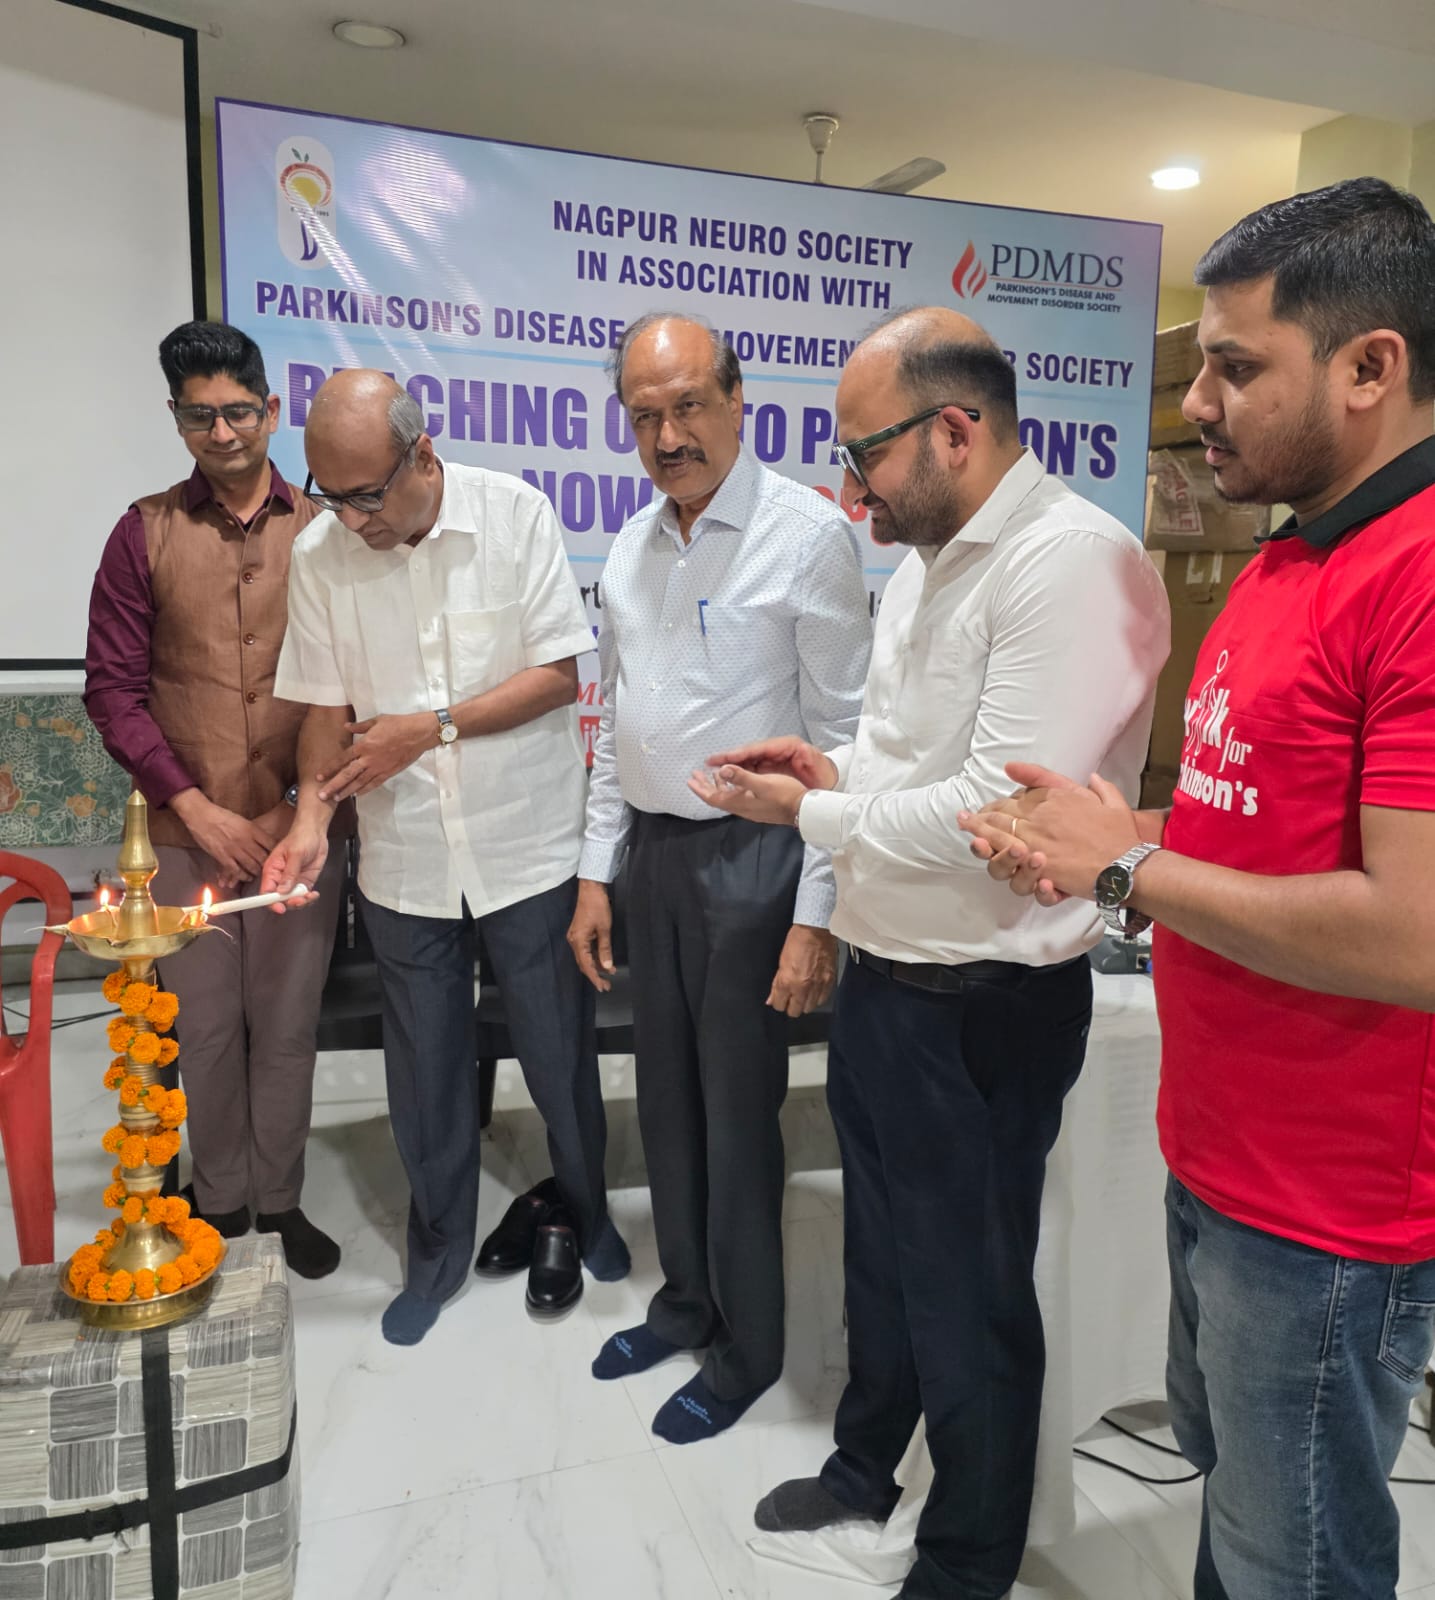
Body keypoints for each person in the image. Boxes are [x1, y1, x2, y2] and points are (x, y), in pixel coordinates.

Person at [961, 178, 1435, 1600]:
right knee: (1236, 1514)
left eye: (1234, 366)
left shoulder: (1416, 577)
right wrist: (1119, 830)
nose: (1198, 404)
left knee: (1296, 1561)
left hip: (1327, 1209)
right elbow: (1262, 823)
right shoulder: (1290, 553)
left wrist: (1127, 865)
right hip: (1220, 1153)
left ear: (1368, 367)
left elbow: (1413, 933)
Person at [691, 307, 1169, 1596]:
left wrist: (811, 816)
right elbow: (913, 761)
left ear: (955, 430)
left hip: (986, 1002)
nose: (853, 491)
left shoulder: (1071, 562)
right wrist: (830, 770)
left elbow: (996, 817)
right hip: (888, 979)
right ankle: (865, 1466)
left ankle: (967, 1558)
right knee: (884, 1261)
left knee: (970, 1298)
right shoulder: (929, 559)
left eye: (865, 456)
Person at [261, 369, 628, 1346]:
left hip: (527, 847)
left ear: (422, 454)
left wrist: (429, 728)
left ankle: (587, 1212)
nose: (353, 519)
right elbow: (324, 709)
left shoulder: (513, 514)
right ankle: (435, 1252)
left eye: (368, 495)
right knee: (423, 1069)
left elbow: (557, 675)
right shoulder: (321, 554)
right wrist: (310, 820)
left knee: (557, 1055)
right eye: (331, 496)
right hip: (407, 858)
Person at [568, 312, 871, 1444]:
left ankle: (747, 1348)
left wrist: (816, 915)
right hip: (652, 861)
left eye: (689, 406)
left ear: (739, 402)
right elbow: (617, 726)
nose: (668, 437)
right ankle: (685, 1302)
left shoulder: (806, 535)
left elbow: (844, 739)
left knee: (739, 1121)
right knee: (666, 1104)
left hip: (755, 867)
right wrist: (595, 874)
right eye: (644, 415)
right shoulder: (632, 546)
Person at [83, 320, 344, 1278]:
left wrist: (288, 812)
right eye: (200, 417)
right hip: (182, 836)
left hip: (300, 830)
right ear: (176, 419)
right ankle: (223, 1200)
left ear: (271, 409)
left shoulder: (326, 532)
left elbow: (353, 688)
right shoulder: (142, 531)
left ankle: (282, 1199)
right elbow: (113, 691)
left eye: (238, 411)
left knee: (286, 1025)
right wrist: (194, 808)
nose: (222, 433)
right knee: (200, 1028)